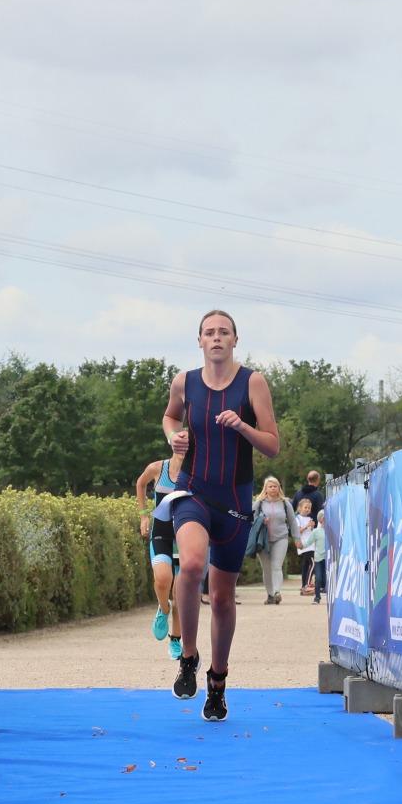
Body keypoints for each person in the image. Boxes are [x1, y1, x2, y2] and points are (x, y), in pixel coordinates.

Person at [161, 309, 281, 721]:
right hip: (192, 490)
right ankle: (188, 656)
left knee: (224, 597)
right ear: (199, 340)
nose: (216, 338)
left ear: (234, 340)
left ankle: (217, 680)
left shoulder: (253, 382)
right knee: (193, 564)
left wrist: (243, 427)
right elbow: (170, 416)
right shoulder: (185, 382)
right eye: (209, 332)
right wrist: (174, 438)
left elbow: (272, 446)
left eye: (223, 332)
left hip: (234, 501)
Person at [135, 448, 191, 658]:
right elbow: (141, 483)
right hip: (161, 535)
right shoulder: (158, 468)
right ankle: (163, 608)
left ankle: (175, 639)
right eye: (180, 443)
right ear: (173, 443)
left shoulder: (196, 472)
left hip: (185, 538)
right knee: (162, 579)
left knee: (179, 592)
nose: (184, 448)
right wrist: (143, 515)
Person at [254, 477, 294, 605]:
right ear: (265, 489)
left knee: (276, 566)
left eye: (275, 486)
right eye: (270, 486)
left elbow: (292, 521)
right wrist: (261, 521)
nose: (273, 489)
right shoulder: (259, 503)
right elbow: (251, 520)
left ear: (279, 488)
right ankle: (270, 594)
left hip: (281, 538)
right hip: (263, 540)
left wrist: (297, 538)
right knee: (266, 569)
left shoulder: (285, 503)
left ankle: (277, 592)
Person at [293, 497, 319, 596]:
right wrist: (306, 526)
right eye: (305, 507)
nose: (307, 509)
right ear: (300, 508)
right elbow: (297, 531)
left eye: (309, 508)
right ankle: (308, 584)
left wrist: (312, 527)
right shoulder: (297, 519)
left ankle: (304, 586)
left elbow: (311, 532)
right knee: (313, 563)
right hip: (304, 545)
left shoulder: (309, 519)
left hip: (311, 545)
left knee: (306, 565)